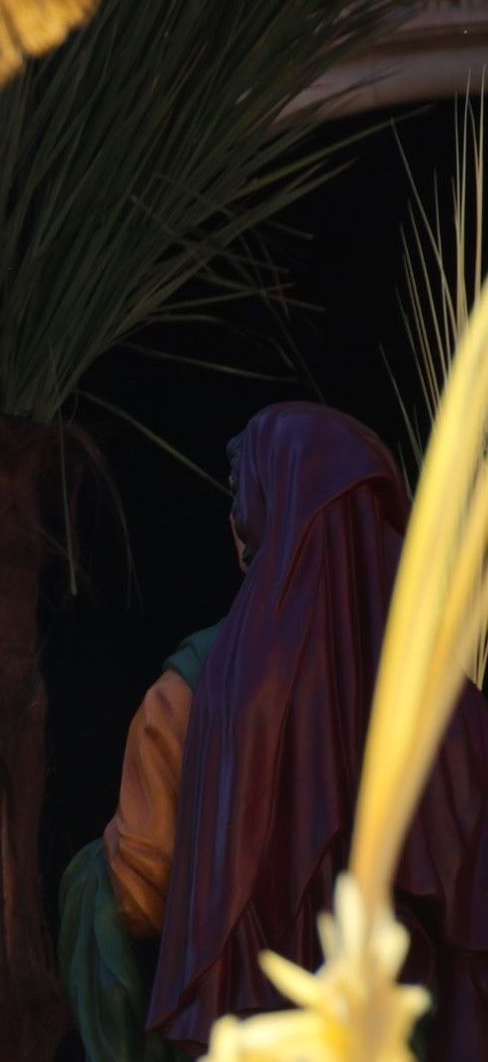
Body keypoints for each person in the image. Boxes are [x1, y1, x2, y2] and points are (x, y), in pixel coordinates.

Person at [59, 403, 488, 1059]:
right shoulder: (457, 711)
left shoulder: (192, 694)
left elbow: (137, 892)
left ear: (256, 523)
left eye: (241, 498)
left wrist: (87, 880)